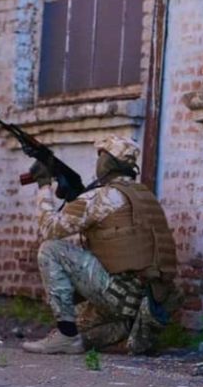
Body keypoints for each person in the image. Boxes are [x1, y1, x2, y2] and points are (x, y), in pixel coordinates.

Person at [21, 135, 179, 356]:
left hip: (119, 294)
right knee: (79, 319)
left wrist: (44, 185)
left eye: (101, 155)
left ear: (108, 162)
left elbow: (49, 228)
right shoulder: (143, 195)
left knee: (51, 249)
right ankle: (118, 332)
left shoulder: (104, 197)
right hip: (145, 299)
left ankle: (66, 336)